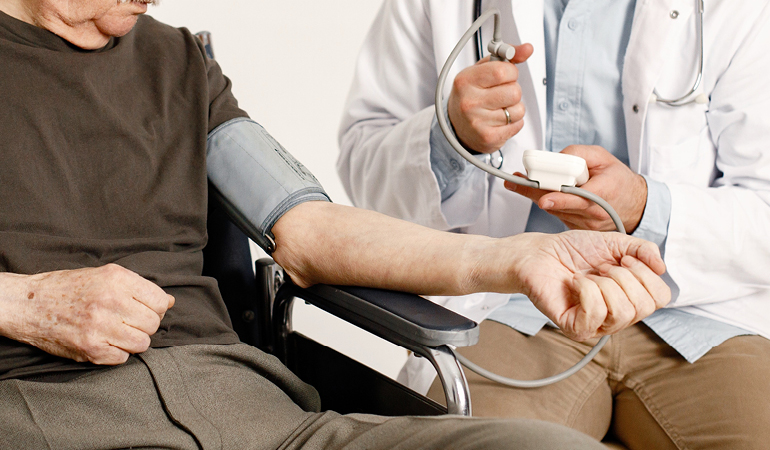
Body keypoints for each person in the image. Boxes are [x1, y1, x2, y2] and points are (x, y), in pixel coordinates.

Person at [0, 0, 672, 448]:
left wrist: (516, 259)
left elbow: (308, 227)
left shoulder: (176, 63)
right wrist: (23, 303)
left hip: (255, 416)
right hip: (44, 416)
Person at [337, 0, 770, 448]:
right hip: (515, 304)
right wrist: (450, 136)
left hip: (702, 316)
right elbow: (361, 166)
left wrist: (643, 208)